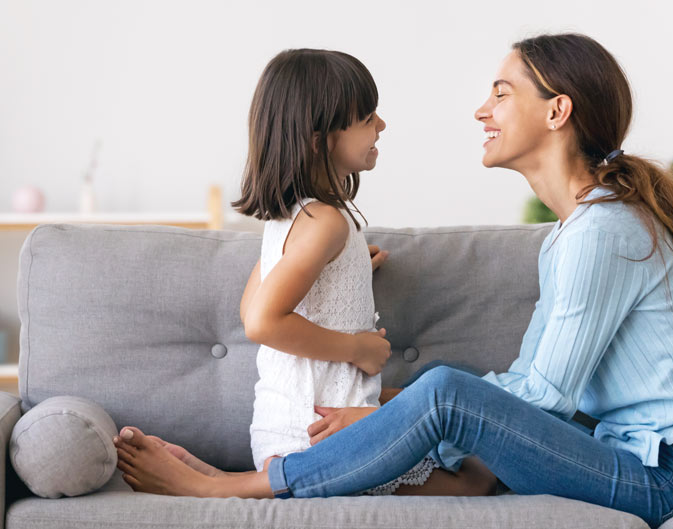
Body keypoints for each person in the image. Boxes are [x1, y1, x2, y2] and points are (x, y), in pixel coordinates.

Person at [114, 33, 673, 528]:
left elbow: (544, 397)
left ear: (557, 110)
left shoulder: (602, 231)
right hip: (630, 452)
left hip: (671, 479)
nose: (482, 109)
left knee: (444, 391)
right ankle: (278, 471)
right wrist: (390, 411)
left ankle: (233, 486)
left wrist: (391, 414)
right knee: (445, 405)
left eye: (502, 93)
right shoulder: (573, 233)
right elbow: (534, 383)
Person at [117, 48, 496, 498]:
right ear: (319, 139)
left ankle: (224, 477)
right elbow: (261, 322)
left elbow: (250, 307)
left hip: (291, 429)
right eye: (367, 116)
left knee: (456, 429)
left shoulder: (293, 219)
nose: (382, 125)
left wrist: (347, 272)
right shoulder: (327, 223)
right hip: (321, 435)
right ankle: (225, 488)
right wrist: (358, 348)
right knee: (476, 479)